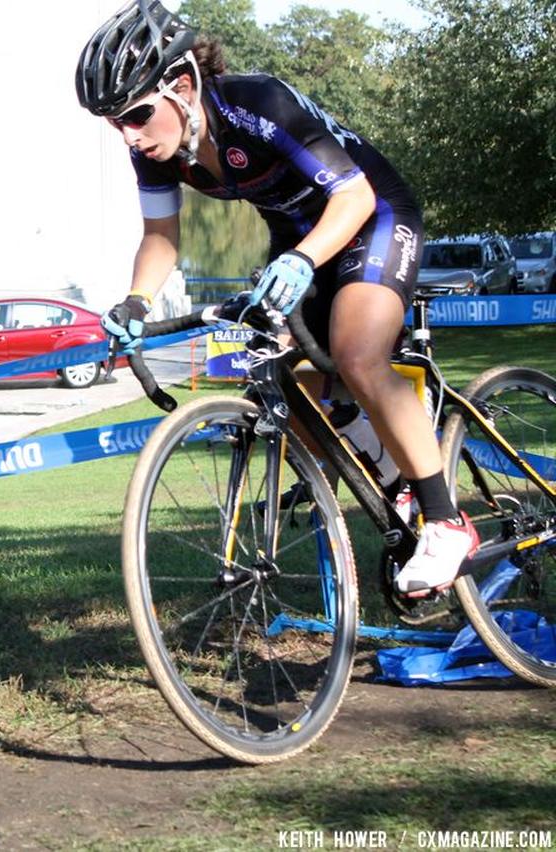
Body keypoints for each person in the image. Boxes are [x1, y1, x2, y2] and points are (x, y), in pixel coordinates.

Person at [75, 0, 477, 596]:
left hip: (372, 214)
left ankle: (447, 521)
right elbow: (161, 237)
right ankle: (383, 458)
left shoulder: (258, 104)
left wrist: (303, 259)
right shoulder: (157, 150)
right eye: (115, 124)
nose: (129, 136)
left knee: (359, 354)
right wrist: (135, 301)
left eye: (135, 115)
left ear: (182, 86)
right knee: (280, 380)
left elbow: (353, 198)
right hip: (297, 235)